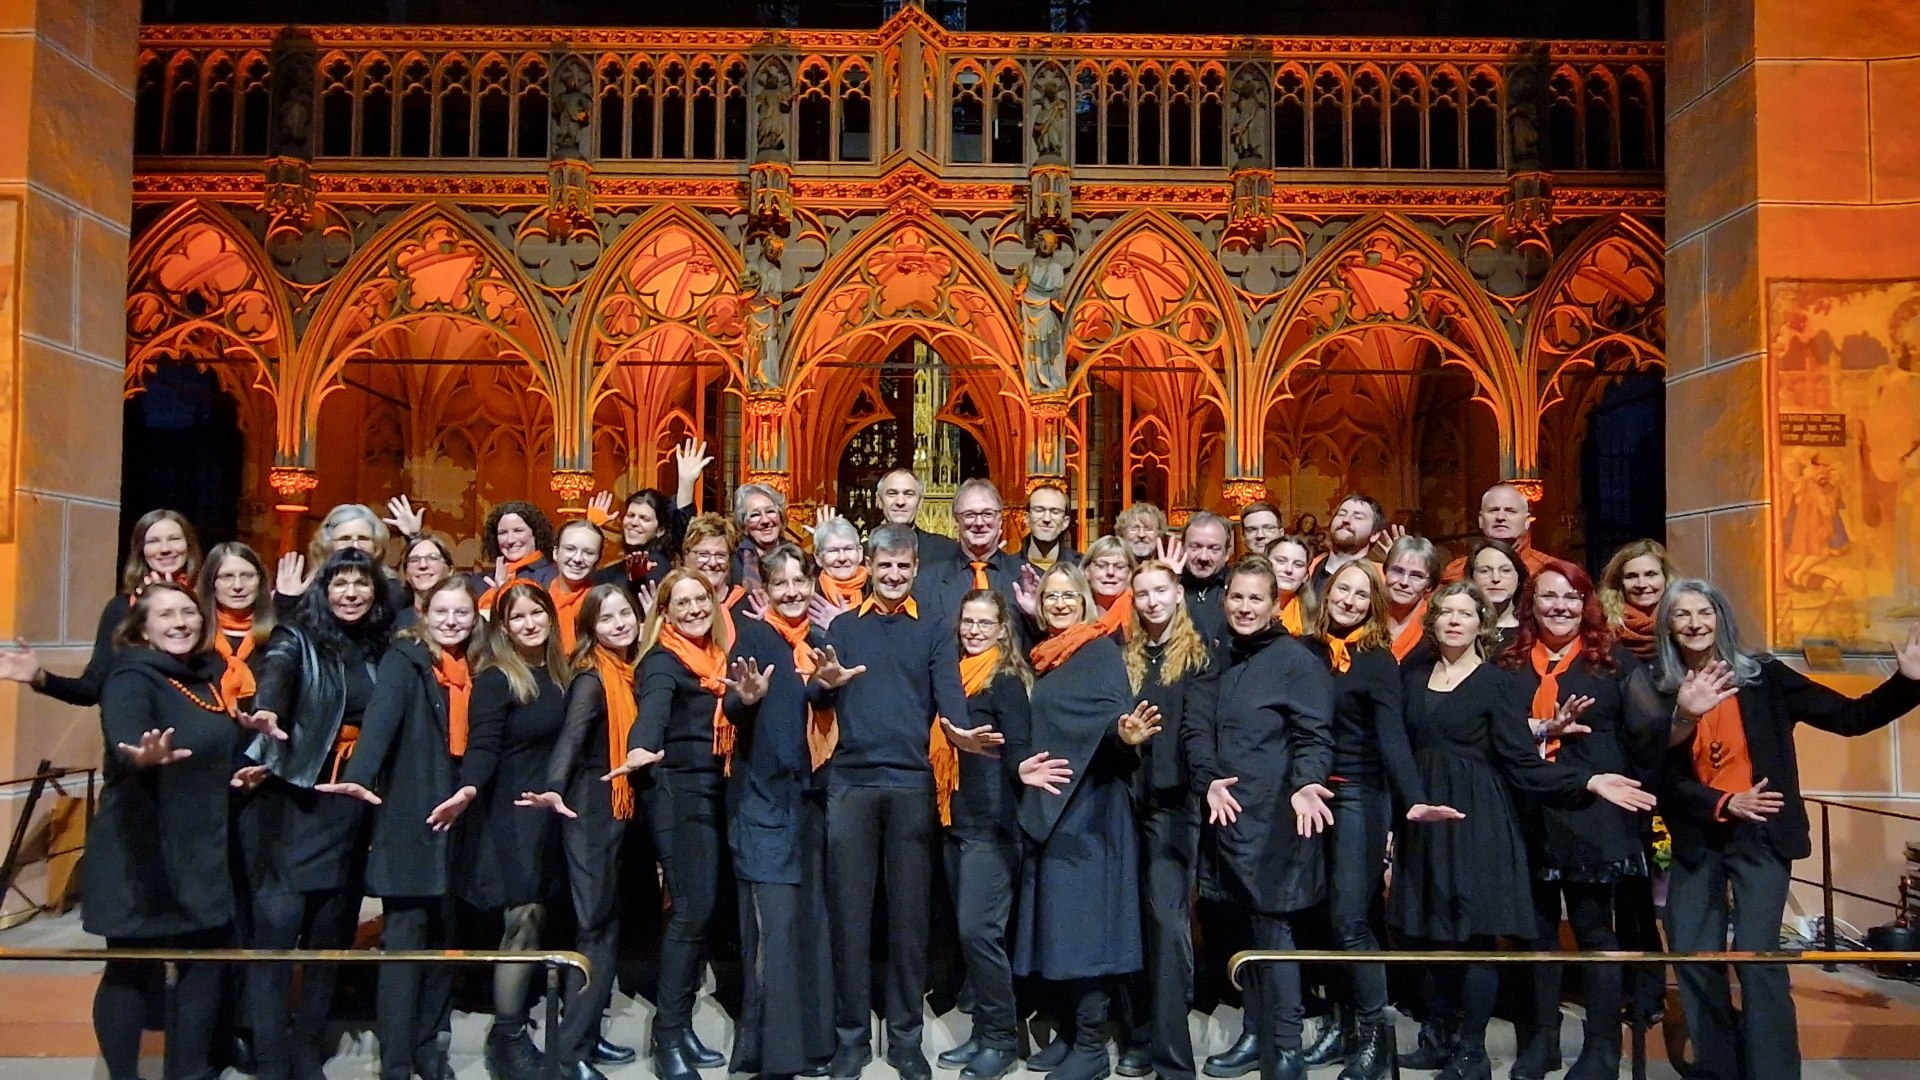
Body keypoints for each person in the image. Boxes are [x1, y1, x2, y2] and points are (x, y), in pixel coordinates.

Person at [1625, 581, 1920, 1080]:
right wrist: (1695, 741)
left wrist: (1908, 682)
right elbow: (1650, 771)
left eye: (1705, 611)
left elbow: (1851, 717)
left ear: (1721, 617)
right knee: (1694, 957)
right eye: (1681, 614)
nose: (1695, 622)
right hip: (1699, 839)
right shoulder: (1652, 684)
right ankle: (1719, 1067)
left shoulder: (1764, 676)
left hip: (1761, 835)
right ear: (1667, 625)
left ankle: (1773, 1072)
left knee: (1758, 959)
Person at [1391, 581, 1654, 1080]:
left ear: (1481, 624)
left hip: (1477, 817)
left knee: (1475, 937)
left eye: (1465, 613)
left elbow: (1519, 761)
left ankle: (1472, 1052)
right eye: (1445, 611)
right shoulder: (1414, 674)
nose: (1453, 620)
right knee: (1429, 931)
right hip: (1425, 816)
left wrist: (1589, 779)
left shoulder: (1497, 683)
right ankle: (1440, 1037)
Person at [807, 523, 969, 1080]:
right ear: (869, 567)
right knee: (849, 917)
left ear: (916, 567)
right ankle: (851, 1038)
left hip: (910, 785)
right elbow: (815, 691)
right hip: (850, 783)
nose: (894, 575)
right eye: (885, 566)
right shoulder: (844, 626)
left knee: (908, 919)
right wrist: (824, 683)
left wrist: (964, 735)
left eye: (904, 566)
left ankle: (904, 1038)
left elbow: (949, 697)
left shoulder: (935, 630)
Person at [318, 576, 483, 1080]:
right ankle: (396, 1059)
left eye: (462, 613)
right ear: (425, 614)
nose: (452, 621)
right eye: (443, 612)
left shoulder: (476, 667)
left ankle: (429, 1044)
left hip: (461, 818)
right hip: (412, 818)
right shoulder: (405, 660)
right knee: (405, 943)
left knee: (445, 941)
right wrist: (359, 776)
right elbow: (381, 725)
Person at [608, 569, 770, 1080]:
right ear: (665, 613)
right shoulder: (662, 661)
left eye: (702, 598)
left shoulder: (718, 660)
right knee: (689, 912)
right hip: (677, 797)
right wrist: (639, 745)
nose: (696, 608)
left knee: (699, 913)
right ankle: (668, 1035)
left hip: (712, 793)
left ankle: (678, 1027)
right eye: (683, 603)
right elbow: (652, 711)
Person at [86, 581, 250, 1080]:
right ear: (142, 628)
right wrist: (140, 755)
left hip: (202, 848)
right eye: (167, 615)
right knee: (133, 969)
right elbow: (127, 737)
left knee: (204, 965)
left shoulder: (204, 677)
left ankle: (191, 1072)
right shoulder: (130, 676)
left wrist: (238, 768)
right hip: (142, 850)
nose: (181, 622)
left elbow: (208, 749)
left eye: (188, 612)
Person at [1498, 559, 1655, 1080]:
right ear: (1531, 603)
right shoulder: (1509, 664)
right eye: (1547, 596)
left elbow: (1646, 741)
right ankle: (1541, 1042)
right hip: (1530, 814)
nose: (1559, 606)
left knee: (1593, 933)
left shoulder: (1615, 664)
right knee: (1537, 935)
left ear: (1585, 603)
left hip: (1595, 814)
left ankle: (1602, 1048)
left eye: (1570, 596)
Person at [242, 548, 396, 1080]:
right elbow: (278, 674)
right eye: (340, 583)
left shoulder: (383, 647)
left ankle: (308, 1048)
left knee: (331, 939)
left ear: (376, 593)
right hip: (294, 801)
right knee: (277, 939)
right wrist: (266, 708)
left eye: (361, 584)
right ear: (322, 590)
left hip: (351, 807)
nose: (351, 593)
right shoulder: (295, 637)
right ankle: (269, 1058)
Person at [1301, 560, 1447, 1080]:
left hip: (1360, 796)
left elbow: (1391, 737)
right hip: (1314, 798)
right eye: (1344, 590)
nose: (1350, 601)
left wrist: (1413, 799)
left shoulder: (1376, 658)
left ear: (1374, 605)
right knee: (1324, 917)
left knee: (1351, 920)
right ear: (1328, 592)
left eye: (1362, 595)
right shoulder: (1310, 652)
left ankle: (1374, 1039)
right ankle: (1340, 1027)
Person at [1013, 563, 1154, 1080]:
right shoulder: (1050, 657)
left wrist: (1125, 734)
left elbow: (1113, 722)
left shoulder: (1097, 652)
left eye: (1070, 595)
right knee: (1059, 926)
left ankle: (1093, 1045)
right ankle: (1072, 1032)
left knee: (1088, 929)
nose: (1060, 602)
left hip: (1093, 811)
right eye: (1051, 596)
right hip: (1059, 810)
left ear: (1087, 600)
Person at [1202, 556, 1336, 1080]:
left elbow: (1315, 735)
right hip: (1228, 820)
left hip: (1275, 819)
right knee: (1243, 933)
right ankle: (1254, 1032)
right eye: (1237, 596)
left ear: (1276, 603)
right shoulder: (1222, 655)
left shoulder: (1296, 660)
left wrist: (1306, 783)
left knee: (1274, 933)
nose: (1244, 606)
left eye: (1256, 598)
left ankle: (1285, 1049)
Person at [519, 584, 649, 1080]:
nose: (619, 623)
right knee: (594, 927)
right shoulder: (593, 678)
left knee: (606, 925)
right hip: (589, 813)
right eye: (606, 618)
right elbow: (570, 740)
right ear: (590, 628)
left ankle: (587, 1035)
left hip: (613, 812)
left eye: (625, 613)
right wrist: (553, 787)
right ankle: (570, 1051)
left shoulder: (624, 671)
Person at [450, 582, 572, 1080]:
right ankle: (508, 1035)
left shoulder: (561, 673)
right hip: (512, 810)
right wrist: (468, 789)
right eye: (517, 617)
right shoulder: (498, 678)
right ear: (502, 628)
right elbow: (483, 746)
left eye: (536, 613)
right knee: (522, 918)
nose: (528, 623)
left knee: (541, 916)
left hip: (551, 811)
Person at [733, 545, 838, 1076]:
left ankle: (814, 1047)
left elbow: (820, 705)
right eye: (782, 584)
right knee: (772, 932)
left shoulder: (820, 642)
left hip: (811, 808)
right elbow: (734, 700)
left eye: (801, 581)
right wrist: (745, 699)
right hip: (764, 808)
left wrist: (824, 687)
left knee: (808, 926)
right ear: (765, 592)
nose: (793, 592)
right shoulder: (756, 638)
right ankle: (774, 1056)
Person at [1116, 559, 1222, 1080]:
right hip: (1126, 804)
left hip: (1173, 808)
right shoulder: (1129, 655)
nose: (1152, 601)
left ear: (1178, 594)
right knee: (1134, 925)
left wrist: (1207, 783)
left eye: (1161, 591)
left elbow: (1199, 732)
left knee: (1166, 926)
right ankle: (1139, 1037)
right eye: (1143, 594)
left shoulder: (1197, 656)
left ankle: (1174, 1061)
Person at [937, 590, 1030, 1080]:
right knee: (969, 936)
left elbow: (1018, 749)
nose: (974, 630)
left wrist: (997, 756)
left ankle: (1001, 1038)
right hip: (957, 822)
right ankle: (982, 1032)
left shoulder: (1006, 681)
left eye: (984, 622)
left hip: (993, 826)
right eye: (967, 621)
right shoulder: (953, 678)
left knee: (981, 932)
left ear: (1002, 629)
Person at [0, 508, 203, 707]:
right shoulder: (122, 608)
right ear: (141, 551)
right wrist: (40, 677)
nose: (165, 548)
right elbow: (90, 689)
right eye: (153, 541)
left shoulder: (206, 602)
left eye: (174, 539)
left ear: (188, 545)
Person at [593, 438, 710, 594]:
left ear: (660, 530)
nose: (634, 522)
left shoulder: (659, 563)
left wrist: (686, 484)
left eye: (644, 518)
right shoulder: (613, 572)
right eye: (631, 515)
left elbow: (681, 524)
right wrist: (591, 528)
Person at [929, 478, 1029, 632]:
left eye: (987, 514)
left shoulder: (1025, 579)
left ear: (999, 519)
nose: (979, 523)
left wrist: (1037, 615)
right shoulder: (927, 583)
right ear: (956, 521)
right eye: (969, 515)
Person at [1441, 484, 1558, 582]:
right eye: (1493, 510)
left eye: (1510, 511)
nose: (1500, 517)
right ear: (1481, 520)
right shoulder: (1456, 571)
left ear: (1527, 521)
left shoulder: (1552, 571)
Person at [1598, 540, 1675, 662]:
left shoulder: (1682, 623)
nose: (1641, 584)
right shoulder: (1603, 627)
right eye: (1631, 576)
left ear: (1665, 577)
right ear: (1619, 583)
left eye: (1650, 574)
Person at [475, 501, 559, 605]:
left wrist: (501, 593)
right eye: (503, 533)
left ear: (536, 533)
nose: (510, 540)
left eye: (518, 531)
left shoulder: (553, 575)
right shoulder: (482, 581)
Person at [874, 468, 961, 565]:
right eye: (892, 494)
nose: (900, 502)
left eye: (909, 494)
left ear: (920, 502)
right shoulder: (864, 553)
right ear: (879, 501)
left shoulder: (946, 550)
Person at [1306, 495, 1387, 595]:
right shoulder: (1306, 568)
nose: (1346, 520)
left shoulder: (1383, 579)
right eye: (1341, 514)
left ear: (1374, 534)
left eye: (1358, 517)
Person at [1382, 536, 1443, 662]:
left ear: (1430, 585)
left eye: (1417, 576)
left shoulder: (1436, 625)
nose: (1404, 582)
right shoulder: (1366, 615)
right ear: (1385, 572)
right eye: (1397, 571)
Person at [549, 520, 605, 652]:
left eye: (589, 553)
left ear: (598, 558)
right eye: (570, 549)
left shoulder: (601, 605)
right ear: (555, 553)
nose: (578, 559)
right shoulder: (539, 600)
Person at [1466, 539, 1526, 656]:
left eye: (1505, 570)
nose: (1496, 578)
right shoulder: (1461, 626)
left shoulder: (1531, 628)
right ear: (1472, 578)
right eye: (1485, 571)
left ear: (1519, 578)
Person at [1180, 512, 1233, 645]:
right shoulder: (1168, 587)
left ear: (1227, 553)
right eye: (1195, 547)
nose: (1203, 557)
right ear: (1182, 548)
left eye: (1213, 549)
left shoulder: (1239, 588)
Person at [733, 482, 791, 590]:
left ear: (781, 517)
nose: (765, 520)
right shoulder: (733, 560)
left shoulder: (795, 554)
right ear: (744, 525)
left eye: (770, 511)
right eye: (755, 515)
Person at [811, 515, 870, 619]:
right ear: (818, 558)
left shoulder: (876, 591)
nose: (842, 558)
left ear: (860, 553)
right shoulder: (810, 596)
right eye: (833, 551)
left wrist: (842, 622)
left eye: (848, 549)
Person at [1015, 483, 1079, 573]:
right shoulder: (1006, 568)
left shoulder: (1081, 568)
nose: (1047, 519)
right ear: (1026, 518)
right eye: (1039, 510)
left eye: (1055, 512)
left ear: (1065, 522)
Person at [397, 536, 456, 629]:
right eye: (414, 560)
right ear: (406, 573)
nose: (423, 565)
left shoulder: (464, 619)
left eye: (432, 558)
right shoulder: (396, 622)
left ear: (450, 570)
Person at [1263, 536, 1314, 636]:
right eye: (1281, 561)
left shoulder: (1314, 618)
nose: (1289, 569)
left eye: (1298, 564)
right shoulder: (1245, 607)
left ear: (1305, 576)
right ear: (1264, 564)